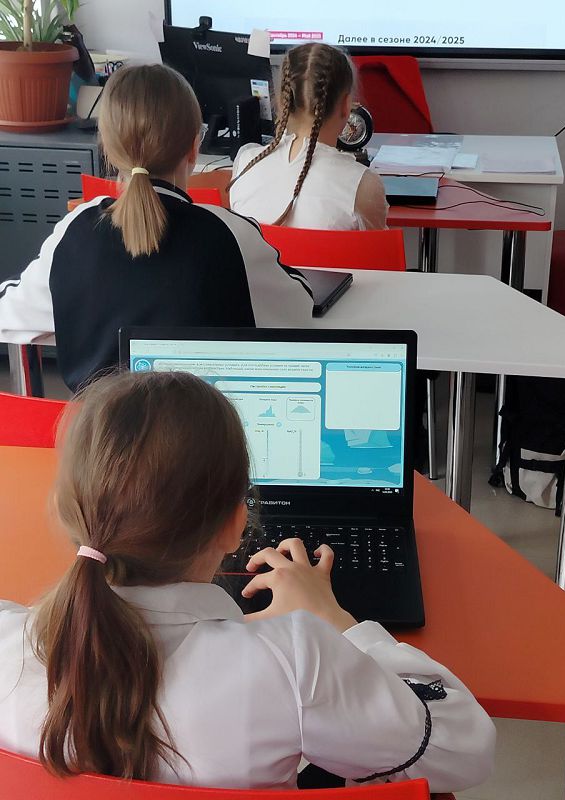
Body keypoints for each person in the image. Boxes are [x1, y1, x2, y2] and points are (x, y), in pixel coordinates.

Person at [0, 371, 494, 792]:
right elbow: (463, 748)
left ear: (68, 512)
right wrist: (336, 621)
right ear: (236, 523)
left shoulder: (8, 642)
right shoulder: (293, 662)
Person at [0, 65, 312, 392]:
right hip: (205, 424)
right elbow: (300, 311)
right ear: (194, 148)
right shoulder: (230, 234)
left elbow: (10, 312)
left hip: (97, 425)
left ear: (108, 149)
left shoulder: (74, 231)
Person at [229, 43, 387, 230]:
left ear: (281, 102)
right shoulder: (362, 185)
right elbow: (377, 248)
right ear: (347, 105)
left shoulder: (244, 164)